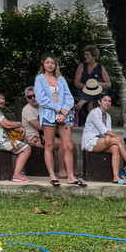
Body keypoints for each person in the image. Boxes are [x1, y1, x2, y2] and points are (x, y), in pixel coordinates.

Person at [33, 53, 85, 187]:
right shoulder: (40, 79)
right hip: (49, 115)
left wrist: (65, 111)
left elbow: (68, 96)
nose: (50, 65)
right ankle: (52, 176)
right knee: (49, 145)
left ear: (55, 65)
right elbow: (41, 99)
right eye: (47, 62)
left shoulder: (60, 79)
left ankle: (71, 176)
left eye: (52, 63)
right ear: (43, 64)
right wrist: (58, 109)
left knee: (67, 146)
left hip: (64, 116)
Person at [82, 93, 126, 184]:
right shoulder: (94, 113)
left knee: (115, 148)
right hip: (90, 141)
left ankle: (116, 177)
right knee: (117, 140)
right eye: (105, 101)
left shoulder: (108, 116)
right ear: (99, 102)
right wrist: (115, 137)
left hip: (101, 141)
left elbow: (108, 131)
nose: (107, 103)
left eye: (109, 101)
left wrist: (108, 136)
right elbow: (104, 130)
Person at [0, 89, 32, 183]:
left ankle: (16, 172)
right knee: (26, 149)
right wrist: (20, 124)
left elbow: (6, 123)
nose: (1, 100)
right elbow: (8, 125)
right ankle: (17, 175)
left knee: (21, 145)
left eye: (3, 98)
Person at [20, 87, 71, 179]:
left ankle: (73, 171)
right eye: (30, 97)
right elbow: (38, 126)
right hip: (35, 138)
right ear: (27, 99)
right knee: (62, 144)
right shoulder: (27, 110)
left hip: (48, 135)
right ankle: (62, 171)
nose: (33, 98)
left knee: (72, 144)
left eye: (35, 96)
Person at [73, 45, 111, 121]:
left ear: (94, 57)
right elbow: (77, 83)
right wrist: (89, 87)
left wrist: (97, 85)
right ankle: (93, 122)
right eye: (85, 55)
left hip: (98, 92)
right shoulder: (82, 66)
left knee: (94, 95)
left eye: (88, 55)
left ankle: (80, 104)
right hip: (84, 91)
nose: (85, 57)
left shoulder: (100, 67)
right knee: (91, 96)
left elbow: (108, 84)